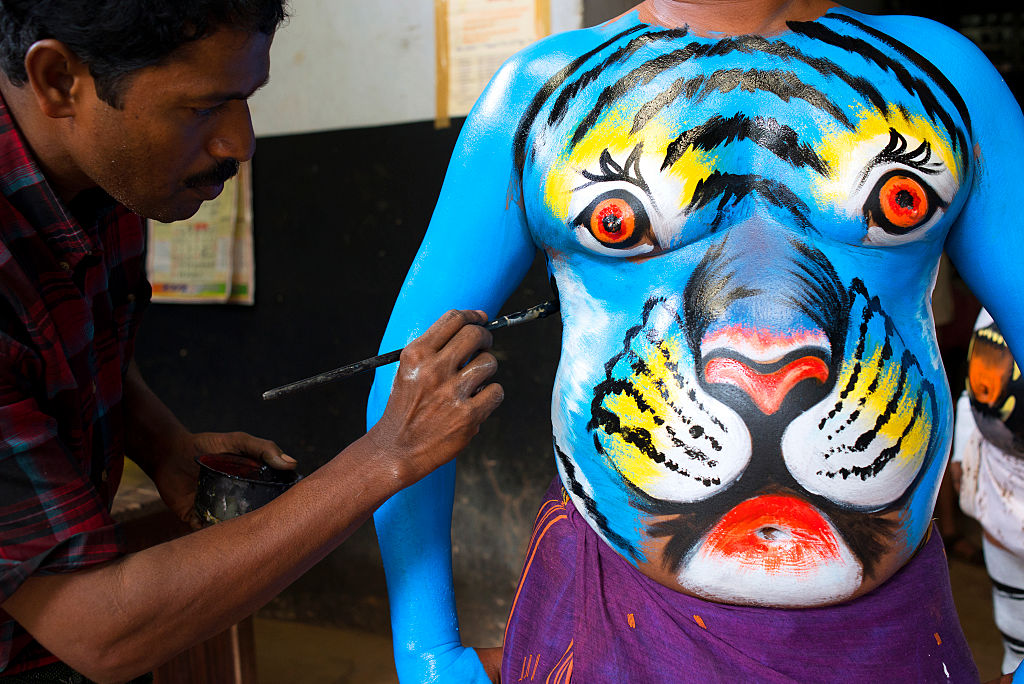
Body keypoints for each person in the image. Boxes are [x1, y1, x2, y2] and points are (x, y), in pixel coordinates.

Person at [365, 0, 1024, 682]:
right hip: (616, 624)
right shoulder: (538, 90)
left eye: (898, 201)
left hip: (892, 633)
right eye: (616, 219)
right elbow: (405, 380)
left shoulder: (944, 77)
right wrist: (426, 650)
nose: (767, 359)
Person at [0, 1, 504, 681]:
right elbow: (101, 628)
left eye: (246, 99)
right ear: (60, 79)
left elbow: (84, 345)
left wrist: (163, 445)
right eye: (203, 108)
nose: (241, 143)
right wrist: (389, 455)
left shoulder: (105, 178)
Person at [953, 311, 1024, 676]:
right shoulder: (1002, 277)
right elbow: (972, 384)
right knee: (1014, 622)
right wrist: (963, 449)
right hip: (999, 481)